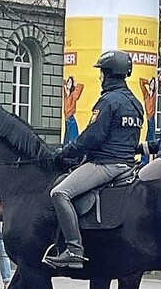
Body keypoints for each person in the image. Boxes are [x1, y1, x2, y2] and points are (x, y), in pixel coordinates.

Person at [47, 50, 143, 269]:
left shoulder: (108, 102)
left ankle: (73, 249)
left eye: (101, 72)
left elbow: (92, 137)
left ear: (108, 74)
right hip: (128, 164)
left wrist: (65, 152)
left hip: (106, 164)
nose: (100, 77)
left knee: (59, 193)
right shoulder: (136, 103)